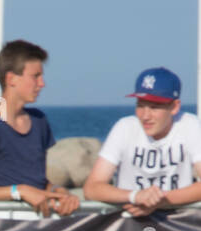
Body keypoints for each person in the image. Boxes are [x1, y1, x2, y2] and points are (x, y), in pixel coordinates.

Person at [0, 40, 79, 217]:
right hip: (2, 228)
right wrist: (19, 191)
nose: (42, 83)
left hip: (40, 227)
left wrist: (58, 190)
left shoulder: (40, 121)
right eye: (35, 76)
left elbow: (37, 181)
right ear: (11, 79)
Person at [84, 67, 201, 216]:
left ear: (174, 107)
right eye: (140, 105)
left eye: (154, 107)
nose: (145, 116)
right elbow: (91, 188)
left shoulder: (189, 125)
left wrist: (160, 201)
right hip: (130, 224)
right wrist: (135, 196)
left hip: (178, 224)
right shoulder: (125, 127)